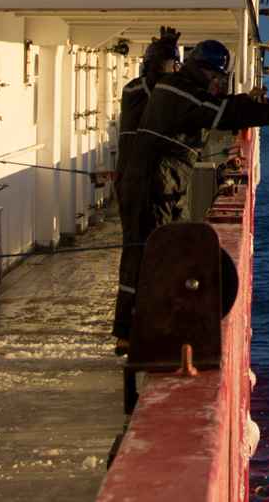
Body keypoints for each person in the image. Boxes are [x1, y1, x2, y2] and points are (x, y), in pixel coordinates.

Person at [111, 39, 269, 343]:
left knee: (162, 250)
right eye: (215, 77)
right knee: (148, 253)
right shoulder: (179, 91)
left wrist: (250, 103)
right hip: (152, 182)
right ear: (200, 70)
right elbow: (221, 113)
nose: (217, 84)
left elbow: (220, 109)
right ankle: (133, 333)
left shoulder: (180, 88)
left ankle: (144, 327)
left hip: (161, 180)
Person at [108, 27, 179, 339]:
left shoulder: (132, 91)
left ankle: (131, 328)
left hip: (134, 181)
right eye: (174, 65)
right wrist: (166, 52)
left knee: (139, 253)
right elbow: (159, 85)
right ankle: (136, 329)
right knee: (145, 254)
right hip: (141, 183)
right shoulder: (141, 92)